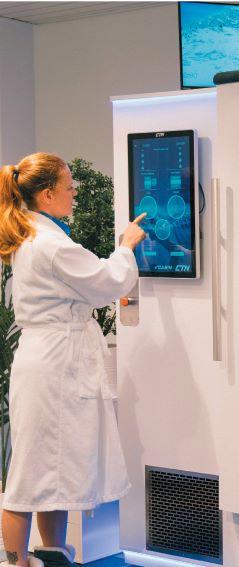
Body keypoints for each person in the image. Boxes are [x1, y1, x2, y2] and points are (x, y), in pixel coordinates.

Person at [0, 153, 146, 567]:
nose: (74, 194)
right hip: (54, 364)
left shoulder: (34, 236)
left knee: (55, 468)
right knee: (31, 473)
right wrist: (126, 247)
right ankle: (15, 561)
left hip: (48, 359)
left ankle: (53, 553)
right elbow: (108, 283)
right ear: (47, 194)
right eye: (69, 187)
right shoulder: (50, 245)